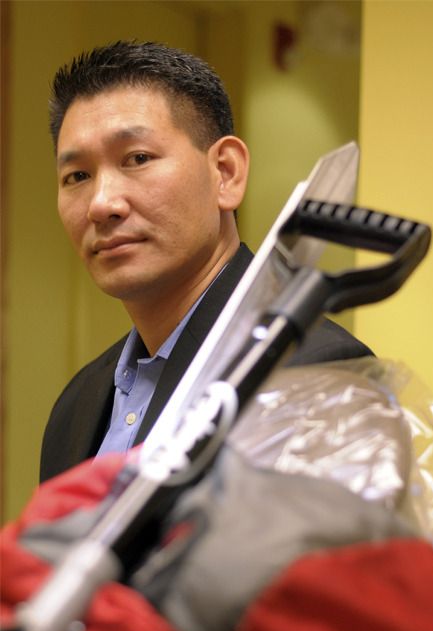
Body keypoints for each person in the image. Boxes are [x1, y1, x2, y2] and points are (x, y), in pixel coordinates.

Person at [40, 40, 372, 482]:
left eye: (137, 158)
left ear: (226, 173)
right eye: (77, 176)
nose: (101, 204)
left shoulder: (310, 372)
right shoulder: (77, 404)